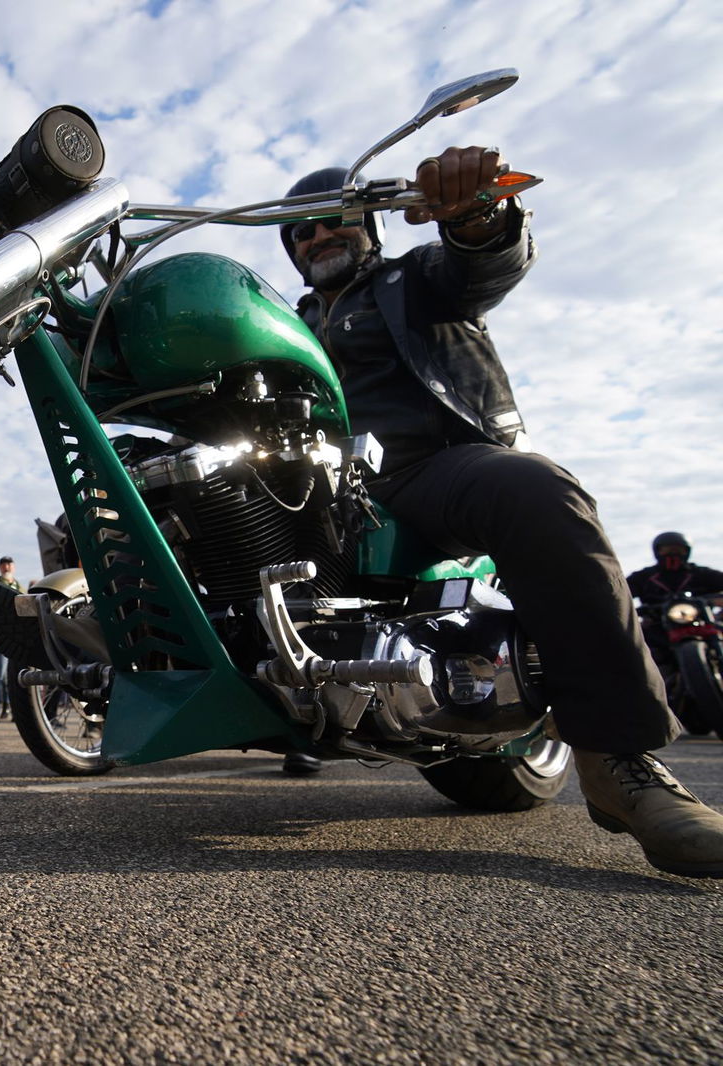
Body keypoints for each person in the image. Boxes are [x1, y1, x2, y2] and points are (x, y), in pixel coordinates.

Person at [275, 145, 723, 876]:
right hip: (309, 494)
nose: (318, 237)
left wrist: (478, 217)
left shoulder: (410, 279)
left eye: (335, 222)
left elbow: (480, 265)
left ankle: (618, 761)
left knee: (537, 491)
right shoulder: (278, 323)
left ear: (371, 228)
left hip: (425, 466)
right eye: (302, 232)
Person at [626, 532, 723, 731]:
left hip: (698, 626)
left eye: (678, 550)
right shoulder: (646, 577)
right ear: (657, 552)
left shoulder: (699, 574)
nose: (673, 554)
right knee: (632, 653)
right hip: (658, 629)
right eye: (667, 550)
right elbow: (620, 592)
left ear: (687, 552)